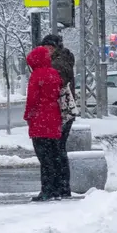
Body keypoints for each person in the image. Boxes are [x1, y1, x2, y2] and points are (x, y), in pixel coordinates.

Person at [23, 45, 64, 202]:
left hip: (40, 121)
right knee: (54, 156)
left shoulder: (36, 76)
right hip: (54, 118)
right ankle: (56, 189)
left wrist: (28, 116)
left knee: (44, 159)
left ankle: (46, 190)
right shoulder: (54, 74)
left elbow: (32, 100)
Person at [40, 34, 78, 198]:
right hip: (61, 111)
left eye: (49, 47)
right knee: (56, 151)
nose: (46, 50)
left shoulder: (60, 62)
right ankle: (60, 188)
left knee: (55, 151)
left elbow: (56, 82)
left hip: (61, 112)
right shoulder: (60, 60)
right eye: (44, 47)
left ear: (56, 48)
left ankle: (58, 188)